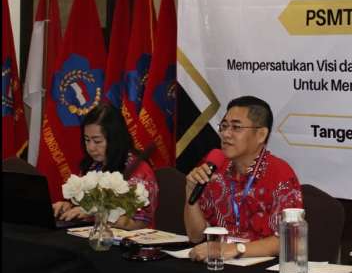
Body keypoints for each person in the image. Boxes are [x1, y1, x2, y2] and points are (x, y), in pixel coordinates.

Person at [185, 96, 303, 261]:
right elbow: (195, 236)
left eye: (236, 127)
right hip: (219, 262)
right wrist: (191, 193)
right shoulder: (215, 170)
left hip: (261, 268)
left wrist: (235, 249)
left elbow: (289, 240)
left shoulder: (280, 174)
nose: (226, 134)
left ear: (261, 134)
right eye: (224, 126)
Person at [52, 102, 159, 230]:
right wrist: (68, 206)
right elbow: (83, 206)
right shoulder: (93, 165)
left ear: (115, 139)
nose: (91, 147)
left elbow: (138, 224)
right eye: (87, 140)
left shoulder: (138, 170)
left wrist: (95, 214)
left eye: (97, 141)